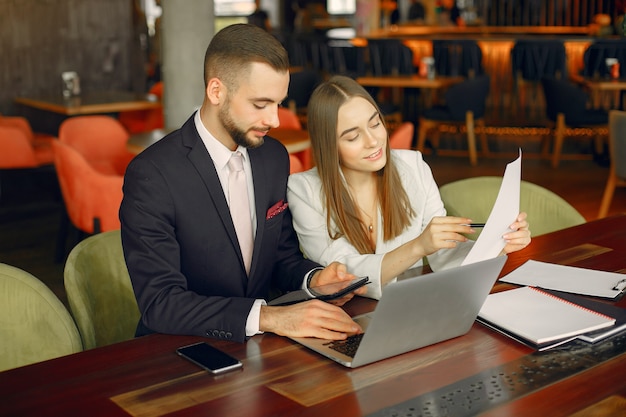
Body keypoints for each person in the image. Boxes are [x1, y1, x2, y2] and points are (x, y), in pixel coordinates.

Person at [120, 24, 365, 344]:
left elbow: (282, 259)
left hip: (261, 347)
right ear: (216, 91)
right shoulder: (152, 174)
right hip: (179, 349)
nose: (274, 120)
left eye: (278, 104)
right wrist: (269, 317)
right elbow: (161, 303)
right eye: (260, 105)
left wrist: (314, 279)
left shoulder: (274, 156)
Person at [287, 75, 531, 300]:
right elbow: (342, 274)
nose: (373, 141)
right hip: (348, 316)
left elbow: (443, 255)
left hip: (409, 305)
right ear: (328, 145)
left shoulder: (412, 166)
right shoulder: (304, 190)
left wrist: (496, 246)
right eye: (353, 137)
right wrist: (418, 246)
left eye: (375, 124)